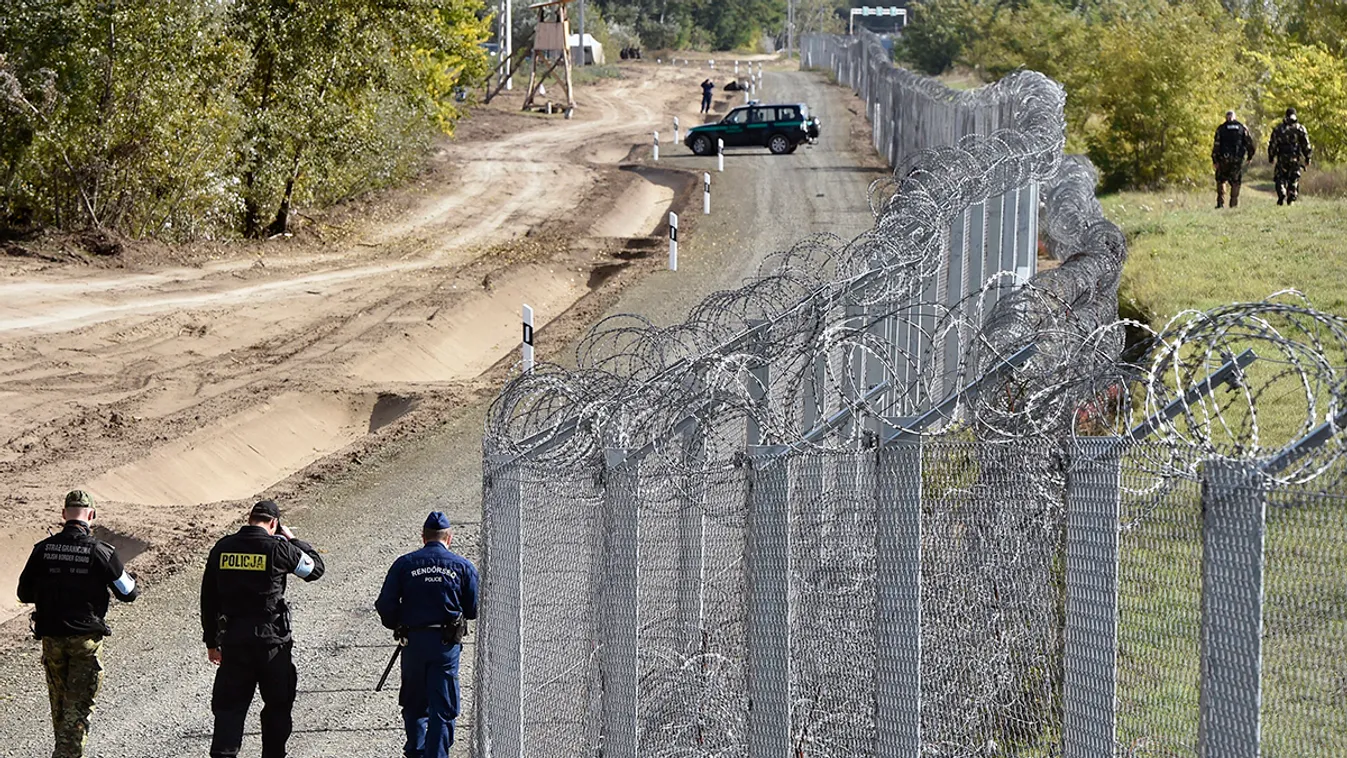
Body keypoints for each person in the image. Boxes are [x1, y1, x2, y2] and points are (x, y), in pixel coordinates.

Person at [16, 490, 139, 758]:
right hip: (85, 641)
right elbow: (128, 592)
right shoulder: (101, 551)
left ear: (63, 515)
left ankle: (64, 751)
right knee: (78, 709)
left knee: (61, 707)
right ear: (91, 516)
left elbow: (23, 593)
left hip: (51, 639)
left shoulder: (43, 550)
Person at [200, 500, 325, 758]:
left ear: (249, 519)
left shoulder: (223, 548)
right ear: (273, 524)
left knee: (229, 710)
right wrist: (293, 539)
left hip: (234, 643)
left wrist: (211, 642)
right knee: (278, 707)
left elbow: (208, 599)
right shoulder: (280, 548)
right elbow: (315, 570)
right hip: (272, 645)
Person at [376, 512, 480, 758]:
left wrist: (398, 625)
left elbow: (385, 604)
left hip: (413, 642)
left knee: (414, 703)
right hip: (445, 645)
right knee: (443, 706)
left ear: (423, 537)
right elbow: (473, 609)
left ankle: (416, 751)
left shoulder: (405, 564)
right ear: (449, 538)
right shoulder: (463, 566)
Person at [1268, 106, 1313, 206]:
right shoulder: (1300, 129)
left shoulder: (1279, 129)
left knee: (1280, 177)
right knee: (1294, 178)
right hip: (1295, 158)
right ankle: (1291, 198)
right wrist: (1308, 157)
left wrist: (1271, 156)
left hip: (1282, 157)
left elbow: (1273, 144)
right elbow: (1306, 145)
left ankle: (1282, 194)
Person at [1211, 110, 1255, 209]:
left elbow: (1216, 145)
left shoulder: (1221, 129)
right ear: (1234, 117)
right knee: (1236, 181)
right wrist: (1250, 156)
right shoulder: (1242, 128)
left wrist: (1215, 160)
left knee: (1221, 180)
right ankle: (1233, 204)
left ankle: (1220, 203)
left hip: (1223, 159)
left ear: (1226, 118)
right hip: (1237, 159)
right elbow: (1249, 143)